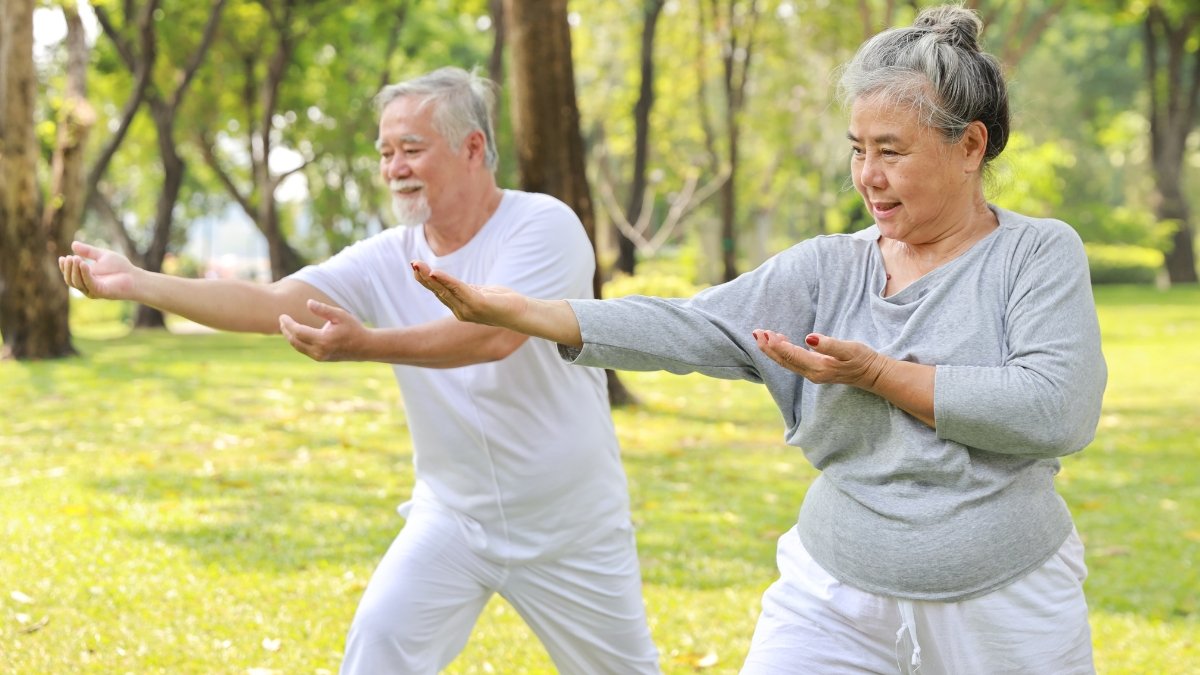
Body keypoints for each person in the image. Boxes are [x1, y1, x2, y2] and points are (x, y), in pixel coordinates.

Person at [413, 7, 1107, 674]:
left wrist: (879, 374)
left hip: (1005, 604)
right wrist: (529, 312)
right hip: (833, 594)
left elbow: (1055, 410)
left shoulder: (1035, 254)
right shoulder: (828, 265)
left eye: (891, 151)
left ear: (972, 145)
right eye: (859, 150)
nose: (867, 175)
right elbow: (693, 324)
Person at [59, 67, 659, 674]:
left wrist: (367, 344)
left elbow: (496, 333)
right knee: (380, 643)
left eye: (412, 150)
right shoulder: (388, 256)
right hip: (454, 519)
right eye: (386, 152)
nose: (394, 167)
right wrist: (138, 281)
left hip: (571, 526)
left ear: (472, 147)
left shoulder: (542, 225)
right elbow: (271, 304)